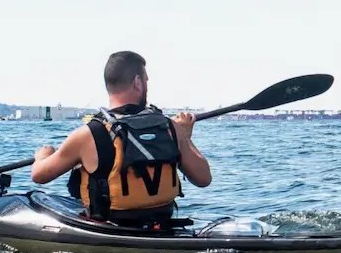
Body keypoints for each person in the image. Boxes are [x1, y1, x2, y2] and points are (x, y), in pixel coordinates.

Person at [30, 51, 212, 224]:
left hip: (109, 230)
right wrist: (185, 138)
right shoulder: (169, 127)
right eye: (146, 80)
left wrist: (43, 155)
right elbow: (203, 179)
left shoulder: (88, 135)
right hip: (163, 226)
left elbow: (39, 176)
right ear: (138, 82)